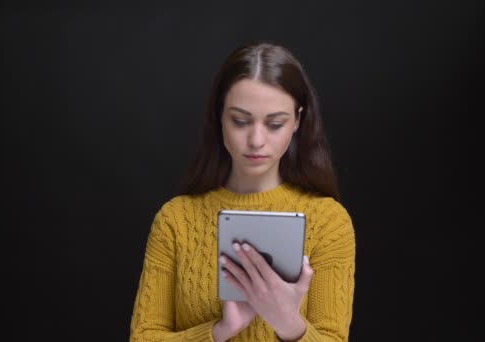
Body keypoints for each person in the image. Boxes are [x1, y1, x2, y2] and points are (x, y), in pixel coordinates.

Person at [129, 42, 355, 341]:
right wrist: (219, 331)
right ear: (219, 116)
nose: (256, 140)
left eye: (275, 123)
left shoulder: (329, 222)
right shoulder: (175, 220)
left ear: (298, 120)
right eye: (240, 121)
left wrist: (288, 323)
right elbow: (143, 336)